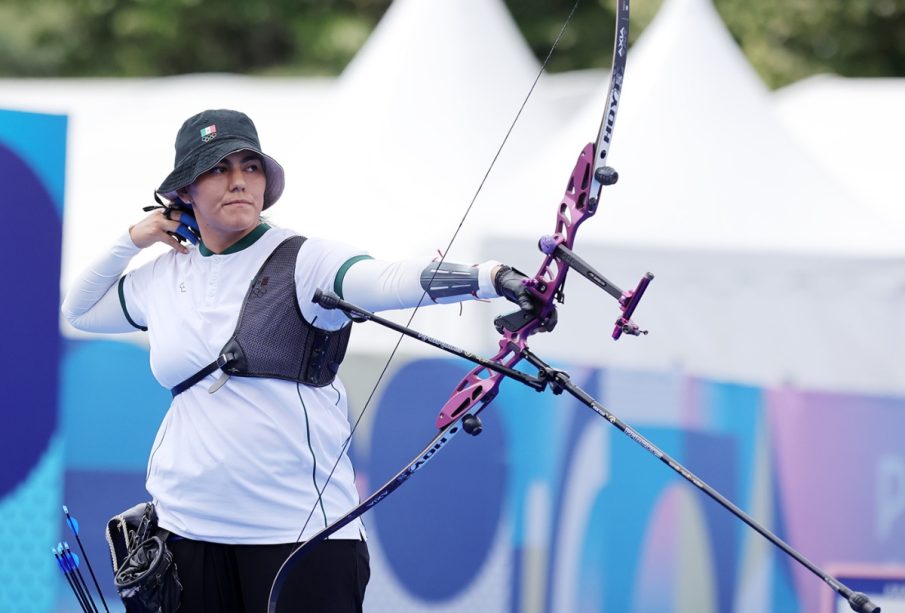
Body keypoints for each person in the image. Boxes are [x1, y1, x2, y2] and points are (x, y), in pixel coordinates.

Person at [61, 109, 536, 612]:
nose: (239, 181)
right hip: (187, 532)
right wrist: (132, 239)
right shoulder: (162, 277)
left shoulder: (305, 261)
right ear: (183, 192)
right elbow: (79, 310)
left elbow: (386, 279)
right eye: (217, 169)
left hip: (299, 537)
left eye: (250, 167)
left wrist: (492, 277)